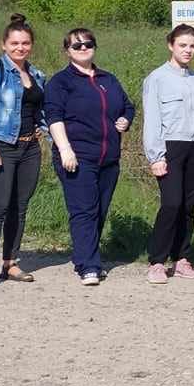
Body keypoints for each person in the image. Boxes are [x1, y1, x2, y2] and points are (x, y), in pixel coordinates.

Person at [44, 26, 134, 286]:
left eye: (88, 43)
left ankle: (84, 256)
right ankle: (89, 266)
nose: (83, 48)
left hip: (109, 158)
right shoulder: (61, 82)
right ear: (67, 51)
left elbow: (127, 106)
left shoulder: (108, 79)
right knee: (84, 210)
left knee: (100, 209)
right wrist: (65, 149)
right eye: (77, 45)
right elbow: (54, 117)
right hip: (77, 156)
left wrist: (125, 119)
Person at [0, 14, 49, 291]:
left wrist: (56, 141)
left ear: (31, 45)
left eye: (25, 43)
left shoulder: (37, 75)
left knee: (20, 207)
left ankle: (10, 262)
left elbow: (40, 114)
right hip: (2, 145)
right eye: (14, 43)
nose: (20, 48)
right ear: (3, 44)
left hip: (30, 148)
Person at [141, 23, 194, 284]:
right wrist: (155, 156)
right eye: (182, 45)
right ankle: (157, 261)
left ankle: (182, 258)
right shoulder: (156, 79)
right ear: (170, 45)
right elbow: (152, 119)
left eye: (192, 46)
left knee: (188, 206)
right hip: (171, 147)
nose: (188, 50)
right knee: (172, 204)